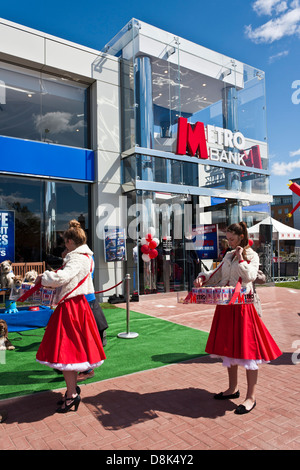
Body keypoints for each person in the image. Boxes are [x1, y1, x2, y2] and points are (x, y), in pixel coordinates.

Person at [194, 221, 282, 415]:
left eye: (232, 239)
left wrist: (241, 258)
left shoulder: (252, 255)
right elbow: (216, 275)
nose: (229, 242)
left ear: (241, 237)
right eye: (228, 238)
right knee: (229, 349)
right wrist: (203, 277)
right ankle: (232, 389)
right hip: (226, 307)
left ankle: (251, 397)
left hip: (244, 308)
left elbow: (250, 276)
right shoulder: (227, 255)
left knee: (248, 352)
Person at [35, 220, 106, 413]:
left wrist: (44, 277)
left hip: (71, 308)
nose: (63, 245)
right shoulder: (85, 257)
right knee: (72, 354)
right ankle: (71, 391)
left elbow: (62, 278)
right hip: (77, 306)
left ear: (69, 242)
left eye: (64, 242)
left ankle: (72, 394)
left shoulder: (77, 259)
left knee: (67, 354)